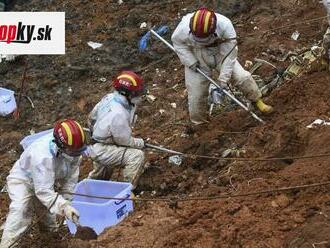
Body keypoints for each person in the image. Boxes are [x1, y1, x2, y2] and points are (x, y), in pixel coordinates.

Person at [171, 7, 273, 125]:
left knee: (242, 77)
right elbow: (178, 44)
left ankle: (258, 102)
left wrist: (224, 78)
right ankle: (200, 124)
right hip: (196, 56)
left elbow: (229, 55)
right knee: (196, 95)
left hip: (220, 54)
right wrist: (190, 61)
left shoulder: (225, 26)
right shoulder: (183, 28)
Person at [0, 119, 86, 248]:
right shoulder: (42, 156)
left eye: (76, 152)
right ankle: (7, 245)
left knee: (47, 217)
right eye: (71, 152)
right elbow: (43, 191)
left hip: (48, 181)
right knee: (20, 212)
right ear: (60, 145)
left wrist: (67, 201)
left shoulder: (74, 150)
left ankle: (51, 240)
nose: (75, 155)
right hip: (24, 181)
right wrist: (64, 207)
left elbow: (70, 178)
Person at [87, 71, 146, 189]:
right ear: (127, 94)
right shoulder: (118, 113)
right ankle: (126, 191)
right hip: (102, 148)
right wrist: (140, 143)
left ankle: (90, 189)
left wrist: (100, 133)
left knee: (99, 178)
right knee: (136, 156)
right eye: (136, 93)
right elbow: (124, 141)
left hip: (99, 143)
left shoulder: (109, 98)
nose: (139, 96)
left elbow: (91, 118)